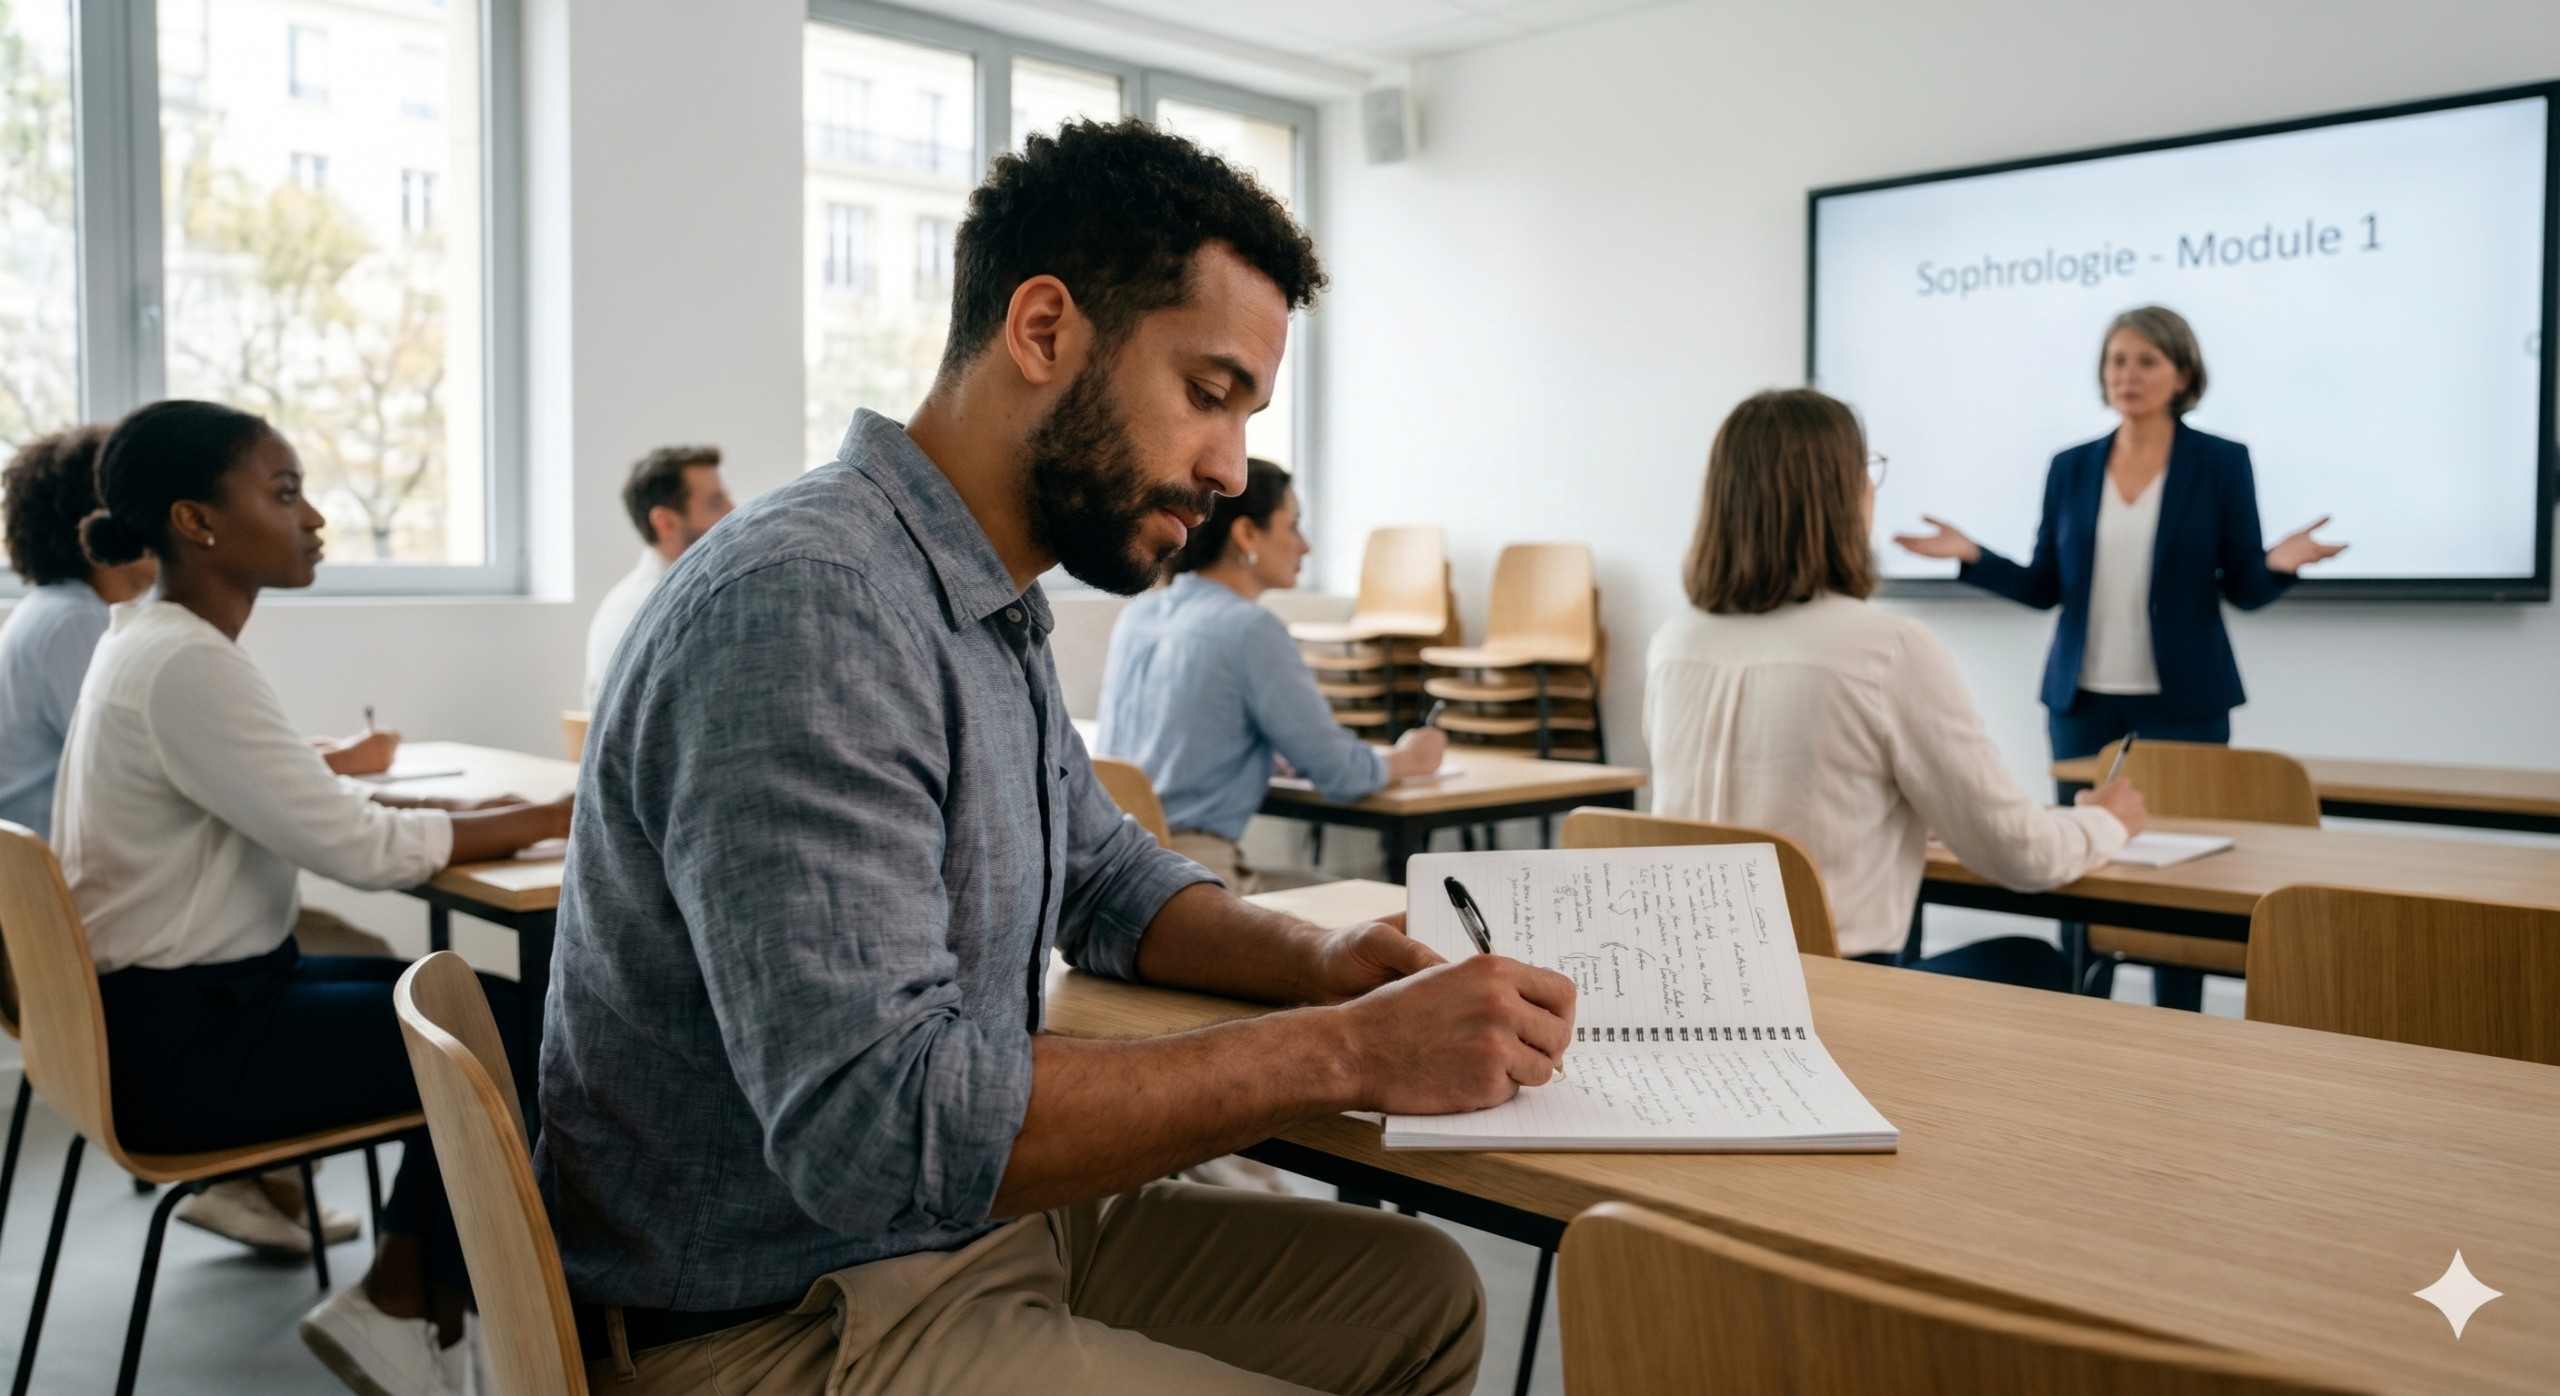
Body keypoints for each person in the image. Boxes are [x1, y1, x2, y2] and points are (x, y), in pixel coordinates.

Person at [540, 119, 1573, 1395]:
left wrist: (1319, 963)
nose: (1227, 469)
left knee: (1417, 1293)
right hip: (786, 1312)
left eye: (1246, 414)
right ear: (1042, 331)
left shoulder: (983, 591)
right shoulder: (809, 602)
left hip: (944, 1243)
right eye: (1207, 394)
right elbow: (880, 1127)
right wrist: (1352, 1049)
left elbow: (1107, 879)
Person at [55, 400, 574, 1396]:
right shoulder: (185, 660)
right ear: (195, 520)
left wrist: (438, 802)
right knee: (509, 1035)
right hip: (187, 1041)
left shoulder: (155, 641)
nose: (314, 518)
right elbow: (364, 850)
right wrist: (548, 812)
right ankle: (419, 1305)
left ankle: (416, 1301)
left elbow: (287, 794)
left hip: (178, 1007)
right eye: (284, 492)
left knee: (457, 1001)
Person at [1893, 306, 2344, 1006]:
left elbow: (2244, 589)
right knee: (2080, 863)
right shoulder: (2071, 467)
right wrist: (1972, 557)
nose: (2126, 376)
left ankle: (2180, 1018)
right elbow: (2045, 586)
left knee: (2190, 879)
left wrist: (2281, 564)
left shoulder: (2221, 463)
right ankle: (2079, 1011)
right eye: (2116, 361)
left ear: (2182, 374)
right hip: (2081, 703)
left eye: (2145, 361)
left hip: (2186, 702)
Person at [1646, 388, 2149, 987]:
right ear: (1842, 495)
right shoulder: (1886, 648)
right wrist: (2106, 821)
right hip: (1831, 1007)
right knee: (2032, 961)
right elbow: (2022, 854)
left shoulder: (1674, 643)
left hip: (1688, 998)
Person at [0, 428, 397, 840]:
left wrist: (320, 756)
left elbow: (197, 753)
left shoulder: (63, 611)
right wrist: (345, 760)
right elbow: (193, 769)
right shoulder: (77, 624)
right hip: (62, 883)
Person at [1099, 457, 1446, 894]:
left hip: (1117, 873)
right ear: (1246, 534)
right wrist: (1412, 757)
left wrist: (1257, 746)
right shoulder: (1249, 629)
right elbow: (1341, 774)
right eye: (1293, 525)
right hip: (1191, 878)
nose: (1305, 546)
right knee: (1386, 909)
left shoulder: (1141, 615)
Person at [581, 444, 732, 706]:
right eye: (716, 502)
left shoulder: (618, 598)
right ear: (665, 522)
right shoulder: (688, 606)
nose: (734, 510)